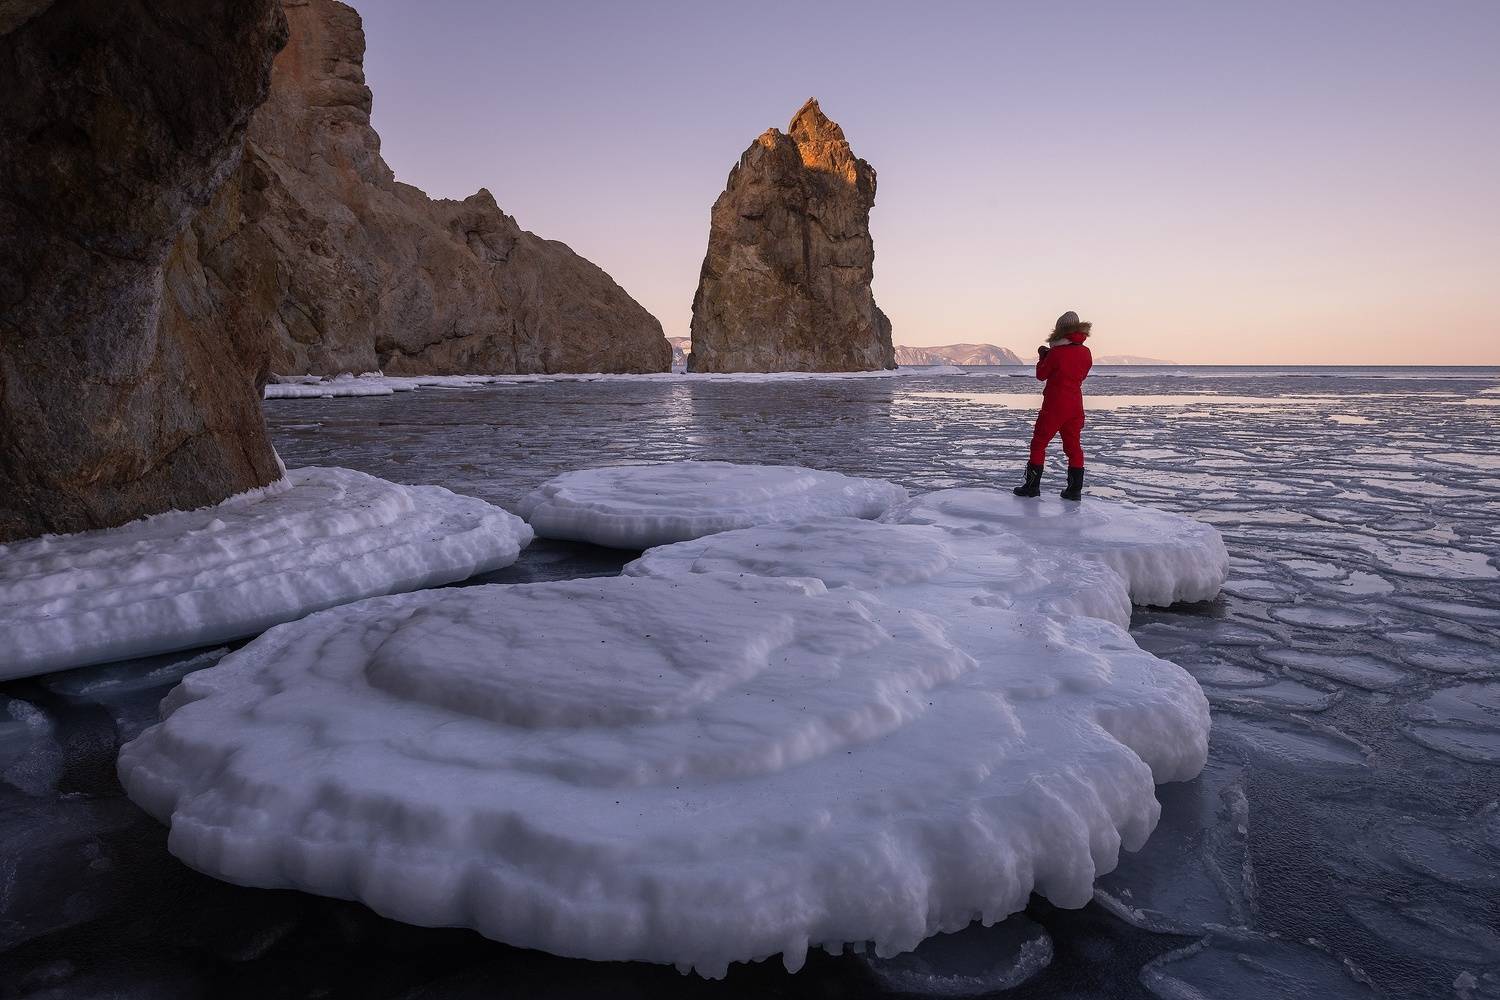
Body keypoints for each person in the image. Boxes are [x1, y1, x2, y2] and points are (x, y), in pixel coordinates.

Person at [1013, 311, 1092, 501]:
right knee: (1073, 447)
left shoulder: (1056, 353)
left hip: (1055, 405)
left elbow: (1041, 374)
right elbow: (1080, 374)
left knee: (1039, 443)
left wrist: (1043, 357)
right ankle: (1074, 491)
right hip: (1075, 406)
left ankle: (1032, 487)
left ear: (1060, 330)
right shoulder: (1086, 352)